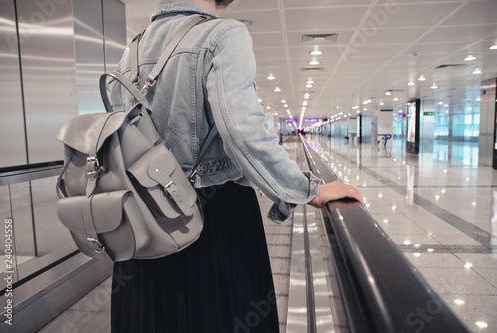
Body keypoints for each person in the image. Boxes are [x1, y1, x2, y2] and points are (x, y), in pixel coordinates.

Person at [107, 0, 363, 332]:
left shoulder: (131, 52)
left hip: (143, 225)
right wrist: (307, 189)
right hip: (211, 223)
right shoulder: (222, 34)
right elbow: (242, 130)